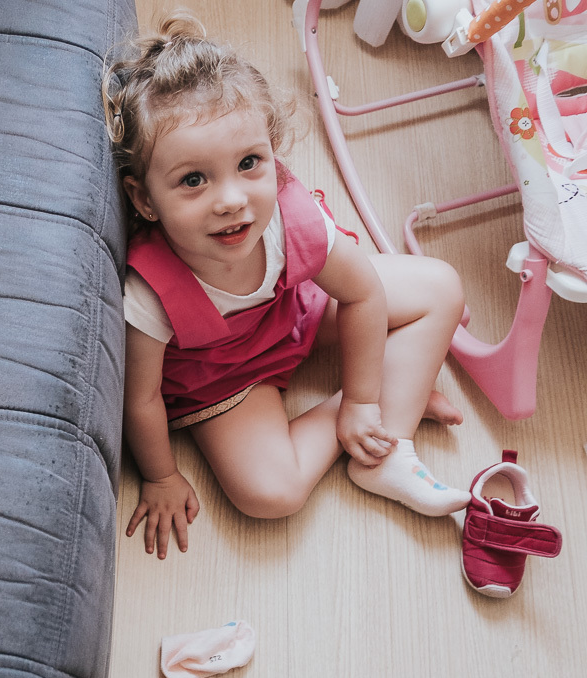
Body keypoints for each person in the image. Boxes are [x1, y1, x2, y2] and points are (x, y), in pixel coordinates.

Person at [103, 11, 471, 559]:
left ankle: (387, 445)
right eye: (193, 180)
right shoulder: (150, 290)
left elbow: (363, 292)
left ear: (273, 154)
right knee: (270, 494)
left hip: (295, 314)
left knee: (439, 286)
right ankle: (399, 396)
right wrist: (159, 477)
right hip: (224, 380)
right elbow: (143, 399)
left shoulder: (289, 218)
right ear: (144, 199)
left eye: (249, 163)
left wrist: (363, 404)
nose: (231, 200)